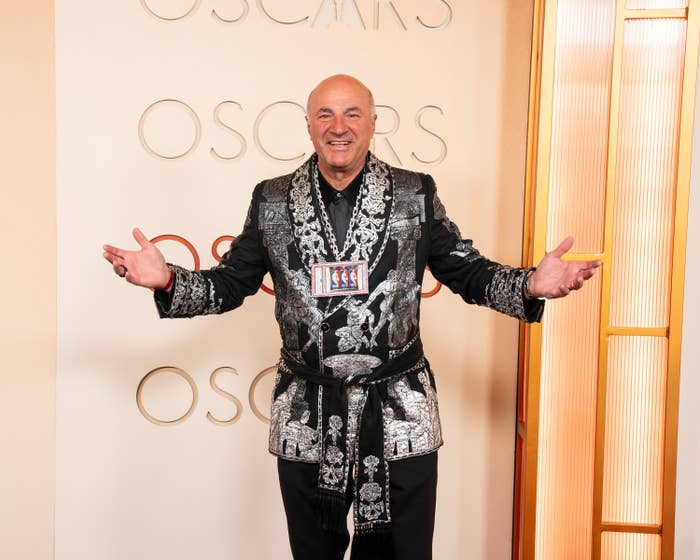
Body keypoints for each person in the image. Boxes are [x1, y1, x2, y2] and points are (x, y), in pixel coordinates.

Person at [103, 74, 601, 560]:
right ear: (308, 125)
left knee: (404, 552)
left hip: (399, 406)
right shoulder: (271, 199)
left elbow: (465, 270)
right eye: (325, 114)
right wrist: (168, 281)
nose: (338, 127)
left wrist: (528, 284)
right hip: (307, 407)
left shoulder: (414, 193)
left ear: (373, 123)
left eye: (351, 114)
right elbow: (232, 283)